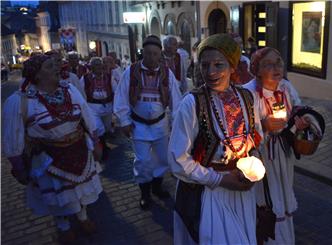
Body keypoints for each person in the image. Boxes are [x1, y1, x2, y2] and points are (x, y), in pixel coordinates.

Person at [168, 33, 264, 245]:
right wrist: (219, 179)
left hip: (241, 191)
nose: (210, 72)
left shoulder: (248, 98)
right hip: (209, 193)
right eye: (204, 65)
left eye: (218, 65)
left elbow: (255, 137)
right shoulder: (191, 104)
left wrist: (254, 161)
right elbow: (178, 160)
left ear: (232, 67)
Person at [2, 54, 103, 243]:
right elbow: (13, 138)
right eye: (50, 66)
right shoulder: (20, 102)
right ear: (37, 75)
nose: (57, 68)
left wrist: (96, 142)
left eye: (55, 65)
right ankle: (63, 225)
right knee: (59, 197)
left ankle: (83, 217)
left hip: (79, 152)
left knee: (80, 190)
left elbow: (87, 116)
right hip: (49, 160)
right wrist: (19, 167)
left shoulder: (69, 90)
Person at [243, 47, 310, 245]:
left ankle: (285, 240)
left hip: (282, 152)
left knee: (282, 191)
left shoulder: (286, 88)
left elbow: (297, 110)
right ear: (257, 69)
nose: (276, 68)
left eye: (278, 63)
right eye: (268, 64)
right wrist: (263, 126)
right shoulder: (248, 92)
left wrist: (299, 122)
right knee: (266, 196)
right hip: (261, 156)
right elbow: (240, 128)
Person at [114, 35, 182, 209]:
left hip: (161, 125)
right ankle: (144, 193)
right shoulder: (131, 71)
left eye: (155, 54)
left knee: (162, 159)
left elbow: (176, 99)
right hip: (139, 125)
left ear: (160, 54)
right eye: (148, 53)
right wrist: (124, 121)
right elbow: (121, 97)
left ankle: (157, 187)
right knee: (143, 160)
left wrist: (176, 123)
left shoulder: (167, 73)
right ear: (142, 52)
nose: (151, 57)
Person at [79, 57, 117, 159]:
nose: (99, 67)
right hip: (93, 107)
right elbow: (80, 93)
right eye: (96, 65)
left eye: (100, 64)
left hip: (107, 106)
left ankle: (103, 145)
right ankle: (103, 149)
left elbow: (116, 90)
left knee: (106, 127)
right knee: (98, 128)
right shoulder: (85, 78)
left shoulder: (109, 77)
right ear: (91, 67)